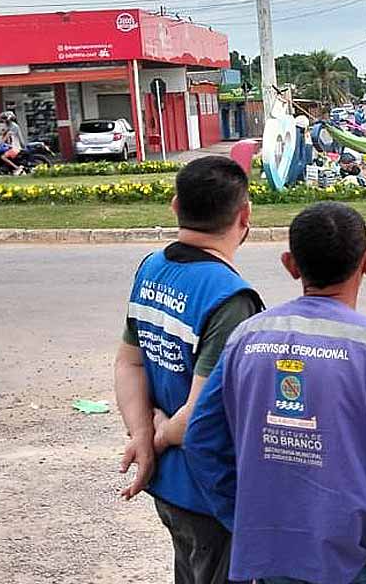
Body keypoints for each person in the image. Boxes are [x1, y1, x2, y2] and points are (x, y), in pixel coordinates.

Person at [183, 201, 366, 584]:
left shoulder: (245, 337)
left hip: (272, 562)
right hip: (364, 565)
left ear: (291, 264)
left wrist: (246, 518)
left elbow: (201, 442)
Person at [114, 155, 263, 584]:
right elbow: (199, 418)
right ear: (244, 215)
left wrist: (143, 436)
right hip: (211, 492)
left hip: (169, 486)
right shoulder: (230, 298)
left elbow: (128, 361)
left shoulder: (151, 269)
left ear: (175, 206)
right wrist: (155, 436)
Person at [0, 111, 26, 175]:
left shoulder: (14, 126)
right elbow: (3, 132)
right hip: (12, 146)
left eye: (3, 119)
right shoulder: (10, 125)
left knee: (3, 157)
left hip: (16, 147)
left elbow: (8, 134)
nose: (2, 121)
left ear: (8, 119)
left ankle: (17, 168)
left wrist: (1, 143)